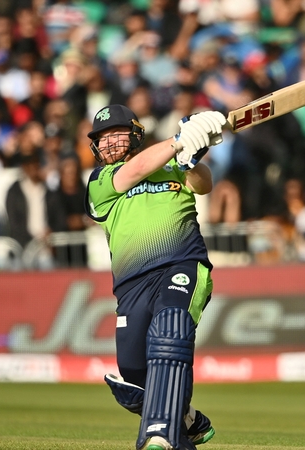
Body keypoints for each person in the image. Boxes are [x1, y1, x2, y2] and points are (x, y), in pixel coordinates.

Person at [86, 104, 225, 450]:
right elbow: (135, 170)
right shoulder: (100, 182)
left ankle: (159, 433)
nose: (108, 144)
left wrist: (191, 158)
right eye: (102, 139)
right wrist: (180, 140)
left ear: (135, 134)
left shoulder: (170, 168)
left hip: (182, 264)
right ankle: (186, 420)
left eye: (116, 135)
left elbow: (203, 184)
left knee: (170, 331)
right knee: (133, 369)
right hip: (132, 284)